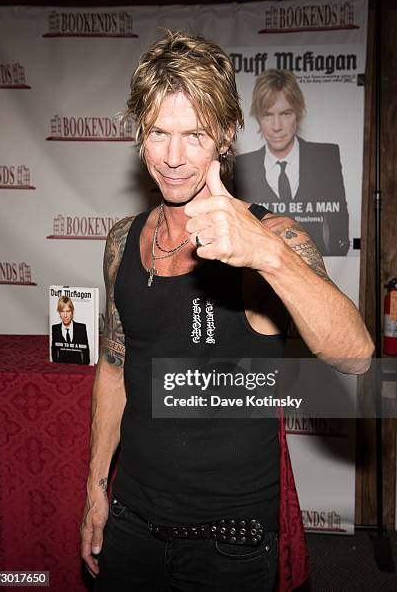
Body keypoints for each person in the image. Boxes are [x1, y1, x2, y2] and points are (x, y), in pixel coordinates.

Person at [80, 31, 374, 591]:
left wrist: (267, 256)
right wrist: (96, 488)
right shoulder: (122, 242)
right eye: (159, 133)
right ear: (140, 134)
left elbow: (357, 357)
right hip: (131, 520)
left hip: (230, 541)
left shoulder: (273, 237)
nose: (172, 158)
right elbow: (117, 366)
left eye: (193, 135)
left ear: (225, 136)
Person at [234, 69, 350, 256]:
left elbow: (339, 231)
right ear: (257, 118)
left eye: (285, 113)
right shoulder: (241, 165)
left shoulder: (326, 157)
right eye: (268, 115)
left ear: (298, 113)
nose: (277, 126)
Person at [51, 295, 90, 365]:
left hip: (78, 368)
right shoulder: (55, 328)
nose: (65, 315)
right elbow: (54, 351)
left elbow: (86, 351)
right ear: (59, 312)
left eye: (68, 311)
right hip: (61, 368)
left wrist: (84, 368)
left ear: (72, 312)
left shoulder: (81, 328)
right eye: (62, 311)